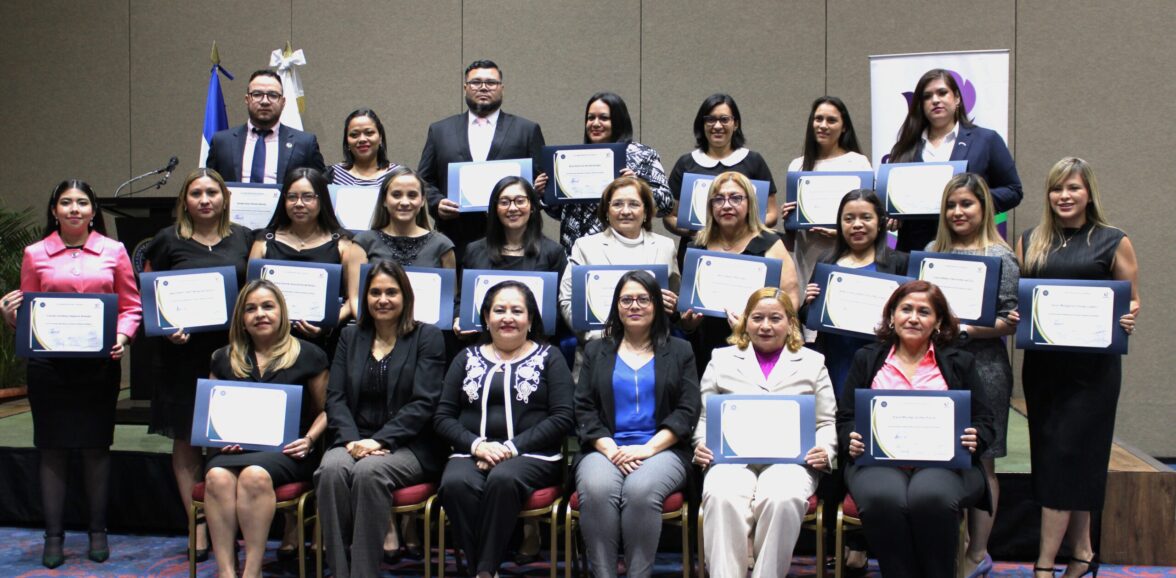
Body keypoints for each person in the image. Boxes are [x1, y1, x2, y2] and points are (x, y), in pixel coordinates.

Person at [0, 180, 142, 568]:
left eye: (82, 202)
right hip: (49, 369)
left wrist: (122, 336)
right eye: (66, 202)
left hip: (98, 366)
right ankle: (54, 536)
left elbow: (131, 306)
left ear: (93, 211)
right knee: (52, 450)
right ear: (55, 210)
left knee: (97, 448)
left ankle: (98, 531)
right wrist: (12, 316)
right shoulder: (35, 254)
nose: (74, 209)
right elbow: (29, 314)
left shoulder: (113, 251)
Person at [1017, 158, 1139, 578]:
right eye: (1056, 189)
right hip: (1043, 370)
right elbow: (1021, 299)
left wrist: (1128, 316)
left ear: (1089, 193)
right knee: (1058, 457)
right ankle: (1084, 552)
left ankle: (1045, 564)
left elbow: (1133, 300)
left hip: (1092, 375)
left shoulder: (1113, 240)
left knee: (1068, 456)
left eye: (1073, 188)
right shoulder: (1031, 239)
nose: (1064, 196)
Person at [836, 280, 993, 578]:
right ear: (892, 315)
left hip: (944, 464)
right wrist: (851, 437)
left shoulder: (961, 362)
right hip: (877, 461)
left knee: (930, 496)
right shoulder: (867, 358)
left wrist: (976, 437)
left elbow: (985, 421)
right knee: (884, 497)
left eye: (924, 312)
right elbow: (845, 417)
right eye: (906, 309)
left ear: (938, 322)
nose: (913, 317)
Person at [143, 168, 254, 560]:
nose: (204, 200)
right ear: (184, 201)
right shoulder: (167, 240)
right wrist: (166, 327)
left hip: (233, 355)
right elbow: (150, 297)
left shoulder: (243, 238)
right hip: (181, 356)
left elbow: (254, 292)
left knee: (230, 439)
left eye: (212, 192)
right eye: (196, 194)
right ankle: (198, 525)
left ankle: (233, 520)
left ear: (224, 198)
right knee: (188, 441)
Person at [314, 261, 447, 578]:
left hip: (409, 445)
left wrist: (379, 440)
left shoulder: (426, 337)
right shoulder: (350, 337)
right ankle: (339, 571)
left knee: (370, 472)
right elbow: (336, 397)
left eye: (391, 291)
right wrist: (351, 440)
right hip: (353, 438)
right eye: (374, 292)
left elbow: (425, 402)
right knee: (330, 470)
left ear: (405, 296)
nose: (382, 299)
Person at [434, 281, 574, 578]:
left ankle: (482, 571)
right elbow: (443, 416)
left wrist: (509, 449)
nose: (507, 317)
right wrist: (477, 446)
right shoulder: (466, 357)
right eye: (499, 310)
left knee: (503, 478)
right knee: (455, 484)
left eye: (516, 310)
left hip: (533, 456)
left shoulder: (550, 358)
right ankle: (483, 571)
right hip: (472, 453)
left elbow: (563, 417)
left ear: (531, 319)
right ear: (486, 317)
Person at [692, 287, 835, 578]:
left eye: (775, 318)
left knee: (782, 497)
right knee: (721, 496)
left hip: (791, 461)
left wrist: (825, 450)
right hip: (731, 459)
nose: (766, 326)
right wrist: (702, 444)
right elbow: (705, 417)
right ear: (745, 321)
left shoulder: (812, 362)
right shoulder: (721, 359)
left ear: (791, 323)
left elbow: (825, 422)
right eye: (757, 318)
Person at [801, 189, 908, 574]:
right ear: (839, 223)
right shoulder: (827, 263)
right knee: (835, 451)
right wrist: (807, 303)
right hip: (836, 365)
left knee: (868, 451)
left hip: (883, 371)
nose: (857, 225)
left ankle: (861, 543)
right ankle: (831, 538)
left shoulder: (899, 263)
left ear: (880, 222)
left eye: (865, 217)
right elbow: (809, 323)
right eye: (849, 218)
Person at [573, 271, 699, 578]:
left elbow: (687, 410)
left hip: (661, 448)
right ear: (616, 306)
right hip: (606, 447)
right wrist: (610, 447)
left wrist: (646, 449)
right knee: (597, 488)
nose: (635, 306)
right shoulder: (596, 350)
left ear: (657, 304)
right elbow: (584, 408)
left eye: (644, 299)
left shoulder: (680, 351)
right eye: (626, 299)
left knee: (641, 490)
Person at [203, 280, 328, 578]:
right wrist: (219, 438)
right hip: (234, 449)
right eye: (251, 309)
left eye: (268, 306)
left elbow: (327, 410)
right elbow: (211, 414)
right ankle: (226, 571)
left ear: (282, 313)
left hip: (287, 450)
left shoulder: (308, 354)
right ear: (242, 319)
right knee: (217, 477)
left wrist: (310, 439)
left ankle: (252, 570)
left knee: (254, 475)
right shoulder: (223, 358)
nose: (260, 314)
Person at [929, 173, 1020, 577]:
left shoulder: (1001, 257)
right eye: (951, 205)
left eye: (966, 204)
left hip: (985, 368)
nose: (958, 212)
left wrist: (967, 329)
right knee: (941, 457)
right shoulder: (932, 251)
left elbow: (1011, 320)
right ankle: (951, 545)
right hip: (938, 366)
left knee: (982, 460)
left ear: (984, 208)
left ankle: (977, 552)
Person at [419, 59, 546, 261]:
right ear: (465, 88)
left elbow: (542, 178)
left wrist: (538, 189)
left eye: (491, 82)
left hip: (514, 241)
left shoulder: (527, 130)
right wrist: (437, 203)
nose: (484, 87)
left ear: (502, 88)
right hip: (456, 238)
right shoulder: (440, 131)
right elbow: (423, 180)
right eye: (476, 82)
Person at [886, 68, 1022, 252]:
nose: (935, 100)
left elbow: (1013, 190)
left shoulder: (986, 140)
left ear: (957, 98)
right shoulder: (904, 148)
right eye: (927, 96)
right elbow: (893, 200)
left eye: (942, 93)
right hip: (914, 249)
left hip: (970, 246)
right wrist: (893, 214)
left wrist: (973, 200)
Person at [681, 171, 799, 372]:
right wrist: (689, 323)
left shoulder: (771, 244)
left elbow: (792, 300)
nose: (726, 205)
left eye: (736, 198)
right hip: (706, 348)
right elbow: (687, 311)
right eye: (718, 199)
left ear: (750, 203)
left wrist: (759, 325)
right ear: (710, 207)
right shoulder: (696, 247)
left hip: (760, 346)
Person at [558, 176, 680, 352]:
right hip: (599, 350)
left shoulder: (665, 246)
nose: (625, 211)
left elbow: (675, 300)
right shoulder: (585, 246)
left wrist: (674, 307)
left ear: (646, 211)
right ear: (606, 211)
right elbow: (567, 301)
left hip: (654, 350)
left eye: (634, 204)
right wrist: (599, 338)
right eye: (617, 204)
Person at [542, 92, 673, 254]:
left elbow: (666, 204)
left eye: (603, 118)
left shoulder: (641, 154)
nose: (595, 123)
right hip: (577, 251)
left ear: (618, 121)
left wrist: (638, 186)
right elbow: (561, 212)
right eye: (591, 118)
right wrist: (545, 192)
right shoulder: (572, 158)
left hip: (625, 248)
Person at [250, 167, 354, 351]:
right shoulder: (264, 241)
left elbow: (353, 299)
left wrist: (327, 323)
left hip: (324, 342)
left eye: (308, 197)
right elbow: (249, 297)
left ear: (322, 199)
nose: (299, 203)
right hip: (270, 342)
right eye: (292, 197)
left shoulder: (344, 244)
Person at [664, 93, 779, 257]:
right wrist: (702, 233)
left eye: (724, 119)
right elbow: (669, 217)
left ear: (736, 124)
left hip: (746, 250)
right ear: (702, 124)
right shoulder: (686, 163)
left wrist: (742, 231)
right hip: (698, 250)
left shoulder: (754, 161)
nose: (717, 126)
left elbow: (772, 213)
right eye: (711, 119)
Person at [780, 96, 872, 297]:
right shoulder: (798, 166)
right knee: (808, 312)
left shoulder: (857, 164)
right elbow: (792, 233)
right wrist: (790, 218)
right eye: (818, 119)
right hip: (807, 253)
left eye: (831, 120)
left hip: (847, 253)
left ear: (844, 126)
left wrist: (841, 233)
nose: (823, 125)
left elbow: (869, 218)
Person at [456, 176, 567, 334]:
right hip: (482, 341)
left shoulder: (553, 252)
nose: (513, 208)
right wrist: (458, 319)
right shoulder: (474, 250)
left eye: (520, 200)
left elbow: (559, 309)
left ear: (532, 207)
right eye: (504, 202)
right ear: (495, 208)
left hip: (535, 343)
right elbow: (461, 302)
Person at [349, 166, 456, 315]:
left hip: (426, 334)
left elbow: (448, 302)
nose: (404, 202)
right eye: (396, 195)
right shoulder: (363, 243)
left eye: (412, 195)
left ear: (422, 200)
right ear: (384, 200)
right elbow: (355, 298)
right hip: (374, 333)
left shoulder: (442, 245)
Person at [205, 69, 325, 184]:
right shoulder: (221, 142)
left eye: (273, 95)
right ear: (247, 99)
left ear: (283, 102)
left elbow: (320, 186)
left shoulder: (305, 144)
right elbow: (210, 185)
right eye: (257, 94)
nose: (265, 101)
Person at [325, 108, 399, 186]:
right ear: (347, 141)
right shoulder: (331, 176)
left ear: (380, 137)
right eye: (354, 135)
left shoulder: (398, 175)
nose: (362, 139)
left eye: (369, 132)